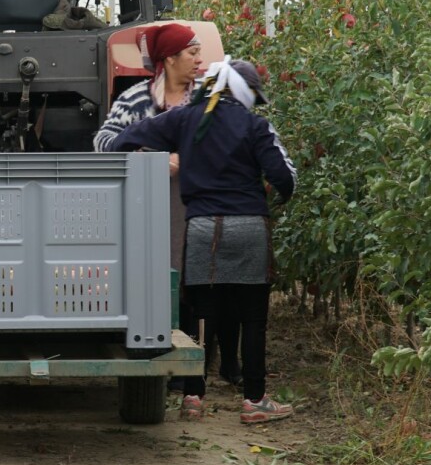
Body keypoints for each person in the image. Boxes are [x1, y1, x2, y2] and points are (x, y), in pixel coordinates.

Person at [106, 60, 297, 425]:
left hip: (202, 229)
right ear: (244, 93)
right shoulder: (255, 125)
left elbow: (123, 140)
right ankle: (254, 401)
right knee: (253, 318)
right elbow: (284, 177)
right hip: (249, 228)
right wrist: (269, 194)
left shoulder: (183, 119)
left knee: (200, 315)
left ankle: (193, 396)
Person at [92, 24, 226, 393]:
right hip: (150, 209)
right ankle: (154, 364)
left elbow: (230, 141)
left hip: (200, 204)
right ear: (169, 59)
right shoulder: (136, 99)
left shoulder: (210, 97)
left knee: (198, 282)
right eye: (192, 53)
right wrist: (151, 159)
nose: (200, 60)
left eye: (200, 53)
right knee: (154, 280)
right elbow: (103, 143)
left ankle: (192, 374)